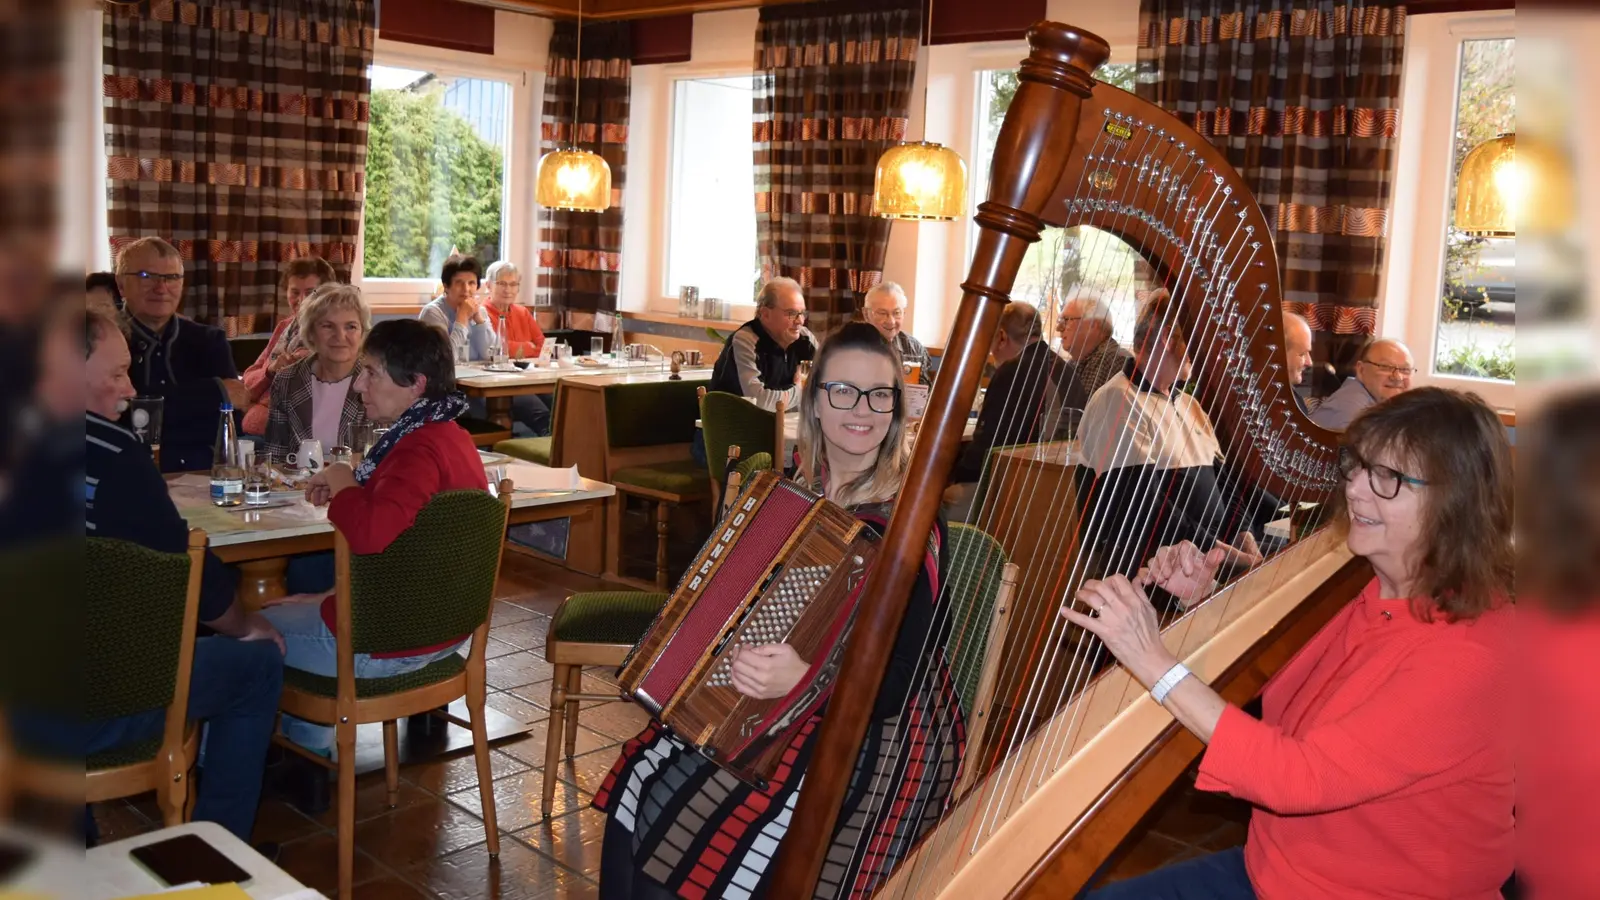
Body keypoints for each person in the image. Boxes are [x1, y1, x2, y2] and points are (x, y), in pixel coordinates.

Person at [1066, 387, 1515, 899]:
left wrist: (1152, 660)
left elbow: (1299, 778)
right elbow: (1290, 673)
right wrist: (1206, 598)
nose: (1357, 490)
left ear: (1454, 500)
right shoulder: (1361, 581)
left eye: (1388, 478)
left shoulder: (1470, 656)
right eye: (1358, 465)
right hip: (1279, 870)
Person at [596, 323, 964, 900]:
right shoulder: (796, 489)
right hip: (773, 700)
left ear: (897, 408)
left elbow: (898, 683)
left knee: (691, 822)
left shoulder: (910, 523)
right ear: (814, 399)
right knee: (640, 774)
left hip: (869, 725)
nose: (860, 410)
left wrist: (807, 678)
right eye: (843, 390)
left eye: (878, 394)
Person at [83, 301, 286, 841]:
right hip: (88, 708)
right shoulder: (112, 452)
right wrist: (248, 625)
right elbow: (187, 573)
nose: (131, 391)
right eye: (117, 374)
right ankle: (214, 850)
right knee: (258, 663)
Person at [260, 319, 488, 756]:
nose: (360, 384)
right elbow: (408, 554)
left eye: (372, 373)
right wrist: (326, 596)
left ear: (416, 385)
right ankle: (306, 755)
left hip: (390, 641)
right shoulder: (451, 436)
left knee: (253, 631)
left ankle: (293, 764)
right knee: (295, 607)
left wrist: (343, 479)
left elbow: (368, 537)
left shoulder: (417, 450)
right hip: (444, 627)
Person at [1076, 298, 1266, 586]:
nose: (1205, 352)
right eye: (1198, 338)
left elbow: (1226, 485)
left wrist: (1246, 537)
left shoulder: (1190, 405)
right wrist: (1226, 555)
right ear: (1167, 337)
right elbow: (1147, 509)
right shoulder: (1116, 400)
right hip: (1155, 572)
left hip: (1209, 560)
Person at [116, 237, 248, 472]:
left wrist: (150, 405)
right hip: (123, 473)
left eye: (172, 277)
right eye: (147, 276)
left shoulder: (209, 341)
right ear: (121, 284)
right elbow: (115, 420)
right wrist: (215, 391)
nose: (161, 288)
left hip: (200, 477)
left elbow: (230, 427)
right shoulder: (103, 339)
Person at [950, 302, 1069, 486]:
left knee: (940, 496)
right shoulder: (1065, 368)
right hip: (1053, 485)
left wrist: (953, 474)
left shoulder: (1011, 371)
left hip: (1011, 486)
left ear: (1002, 337)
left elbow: (986, 447)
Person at [262, 283, 371, 465]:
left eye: (350, 327)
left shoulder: (377, 383)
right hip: (298, 490)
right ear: (311, 333)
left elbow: (384, 460)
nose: (340, 336)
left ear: (362, 332)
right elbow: (275, 457)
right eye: (328, 326)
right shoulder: (286, 381)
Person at [240, 257, 337, 438]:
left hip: (284, 436)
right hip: (253, 424)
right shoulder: (285, 326)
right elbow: (248, 381)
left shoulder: (332, 335)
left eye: (310, 292)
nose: (301, 300)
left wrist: (253, 404)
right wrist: (270, 370)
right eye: (294, 292)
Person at [478, 260, 550, 436]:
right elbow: (497, 350)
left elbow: (543, 347)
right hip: (501, 384)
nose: (508, 290)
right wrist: (527, 346)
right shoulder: (481, 313)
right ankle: (549, 454)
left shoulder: (522, 312)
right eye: (501, 283)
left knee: (564, 403)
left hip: (530, 379)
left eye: (513, 284)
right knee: (542, 415)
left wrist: (517, 348)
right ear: (488, 285)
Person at [1051, 291, 1130, 437]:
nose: (1059, 328)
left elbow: (1081, 421)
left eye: (1067, 320)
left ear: (1094, 324)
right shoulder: (1076, 362)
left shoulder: (1110, 358)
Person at [1309, 337, 1414, 431]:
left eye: (1405, 369)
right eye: (1386, 367)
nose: (1397, 377)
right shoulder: (1353, 412)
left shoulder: (1376, 403)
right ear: (1361, 369)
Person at [418, 256, 496, 361]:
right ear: (446, 286)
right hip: (447, 377)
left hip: (477, 376)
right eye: (459, 283)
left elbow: (494, 356)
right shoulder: (432, 312)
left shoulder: (480, 310)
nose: (466, 289)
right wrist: (462, 319)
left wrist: (480, 322)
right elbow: (444, 360)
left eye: (471, 283)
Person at [863, 281, 938, 380]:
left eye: (897, 313)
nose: (891, 321)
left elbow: (924, 392)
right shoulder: (849, 347)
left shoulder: (915, 349)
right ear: (866, 314)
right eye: (882, 313)